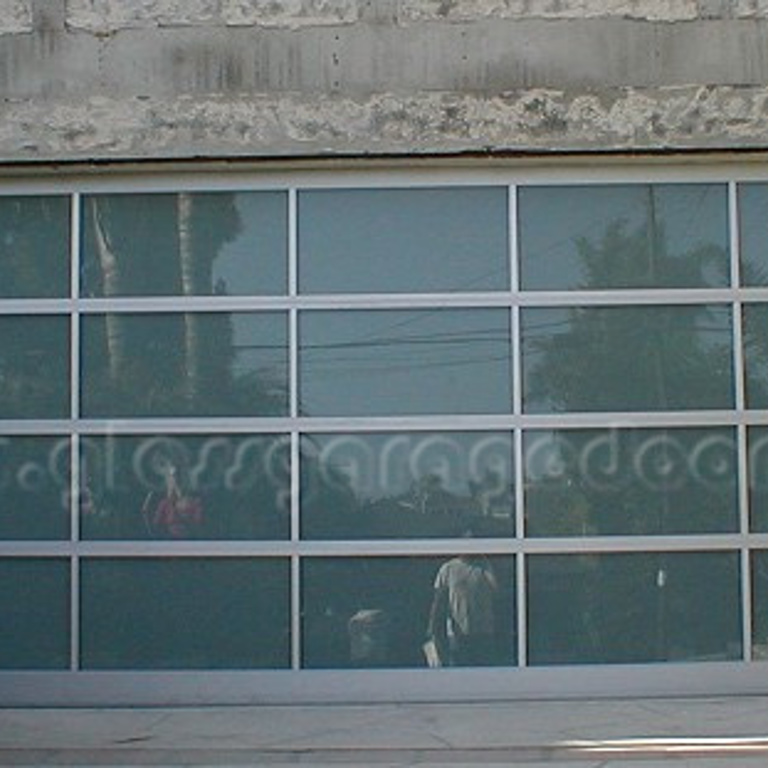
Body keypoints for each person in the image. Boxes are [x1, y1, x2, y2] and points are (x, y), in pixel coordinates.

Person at [427, 544, 499, 667]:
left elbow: (496, 588)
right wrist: (432, 628)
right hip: (457, 632)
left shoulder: (483, 567)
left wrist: (485, 560)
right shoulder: (448, 568)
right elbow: (438, 600)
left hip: (482, 631)